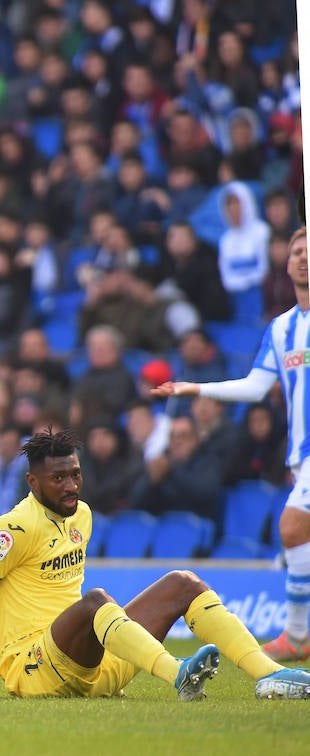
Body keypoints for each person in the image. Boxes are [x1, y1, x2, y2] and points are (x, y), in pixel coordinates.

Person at [0, 427, 310, 700]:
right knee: (95, 602)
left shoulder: (81, 515)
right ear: (32, 482)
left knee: (183, 583)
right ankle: (178, 674)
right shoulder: (15, 527)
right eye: (58, 478)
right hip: (34, 668)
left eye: (75, 474)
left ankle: (270, 674)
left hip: (91, 667)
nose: (71, 486)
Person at [152, 228, 310, 662]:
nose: (302, 258)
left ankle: (298, 635)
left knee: (293, 526)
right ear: (286, 264)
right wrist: (196, 389)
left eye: (309, 251)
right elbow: (256, 386)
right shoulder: (282, 329)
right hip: (302, 454)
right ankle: (299, 635)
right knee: (297, 529)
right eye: (296, 251)